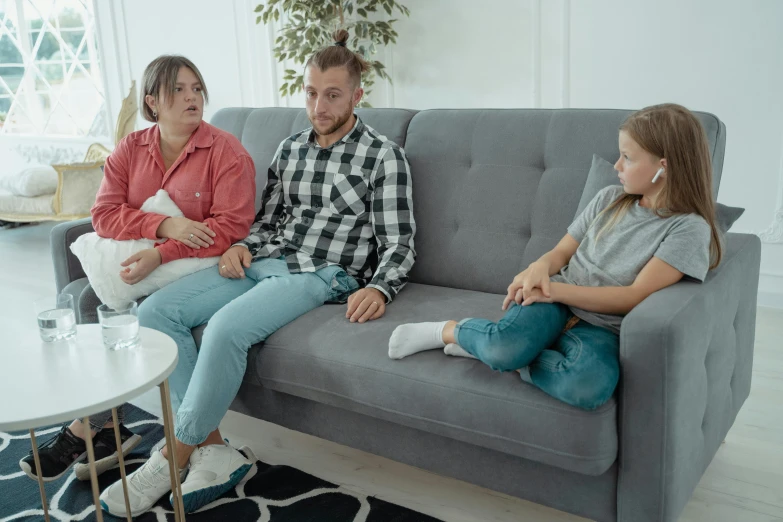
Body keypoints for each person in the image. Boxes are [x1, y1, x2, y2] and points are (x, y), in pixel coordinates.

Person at [99, 30, 416, 517]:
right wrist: (241, 248)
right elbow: (266, 222)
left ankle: (171, 455)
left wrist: (380, 286)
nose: (319, 105)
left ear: (356, 95)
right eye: (311, 92)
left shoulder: (383, 156)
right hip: (266, 261)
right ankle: (213, 449)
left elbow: (398, 242)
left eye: (332, 94)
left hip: (321, 273)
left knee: (225, 329)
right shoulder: (290, 149)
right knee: (157, 312)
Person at [388, 103, 722, 411]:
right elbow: (562, 252)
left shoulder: (688, 230)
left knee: (588, 387)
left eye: (628, 158)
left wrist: (552, 289)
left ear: (662, 167)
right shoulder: (609, 197)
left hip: (601, 326)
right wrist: (537, 270)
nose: (617, 165)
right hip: (552, 303)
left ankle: (495, 350)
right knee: (503, 346)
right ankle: (447, 332)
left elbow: (632, 296)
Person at [19, 55, 256, 483]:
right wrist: (165, 223)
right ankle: (104, 425)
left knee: (125, 303)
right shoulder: (130, 150)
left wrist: (161, 251)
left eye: (197, 89)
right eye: (179, 90)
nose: (192, 98)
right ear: (152, 102)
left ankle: (106, 430)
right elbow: (103, 214)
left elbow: (231, 228)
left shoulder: (227, 152)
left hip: (200, 266)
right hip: (150, 261)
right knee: (89, 299)